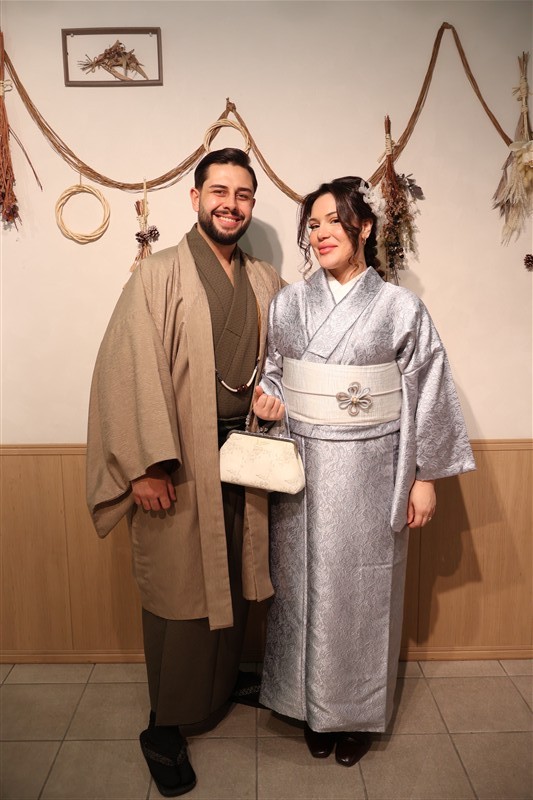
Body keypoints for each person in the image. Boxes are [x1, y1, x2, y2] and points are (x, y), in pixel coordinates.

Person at [253, 176, 475, 768]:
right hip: (302, 468)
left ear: (365, 226)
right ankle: (306, 706)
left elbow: (428, 390)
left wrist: (424, 476)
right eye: (313, 224)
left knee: (360, 590)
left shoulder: (400, 307)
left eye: (334, 220)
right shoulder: (289, 304)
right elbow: (274, 371)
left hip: (372, 470)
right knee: (300, 588)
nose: (321, 233)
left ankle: (353, 714)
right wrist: (270, 399)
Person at [86, 148, 284, 797]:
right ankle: (165, 721)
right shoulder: (157, 275)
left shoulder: (264, 280)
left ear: (250, 206)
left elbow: (285, 359)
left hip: (245, 455)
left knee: (232, 576)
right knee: (178, 589)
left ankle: (219, 688)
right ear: (195, 198)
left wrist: (275, 399)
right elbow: (125, 370)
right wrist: (144, 465)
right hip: (177, 459)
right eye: (219, 191)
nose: (231, 204)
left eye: (243, 194)